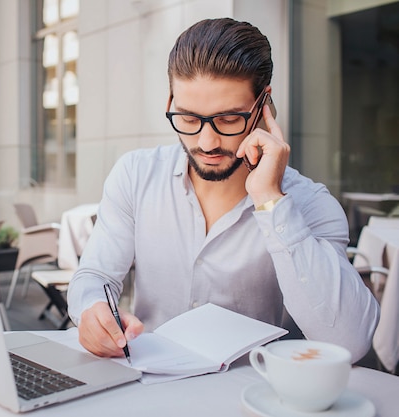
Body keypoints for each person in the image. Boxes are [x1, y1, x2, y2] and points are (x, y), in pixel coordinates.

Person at [67, 18, 379, 363]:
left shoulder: (309, 203)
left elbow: (350, 342)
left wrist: (271, 202)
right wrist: (91, 309)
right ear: (170, 98)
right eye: (187, 118)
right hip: (150, 389)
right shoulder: (135, 175)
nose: (206, 142)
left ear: (264, 107)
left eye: (229, 119)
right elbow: (95, 276)